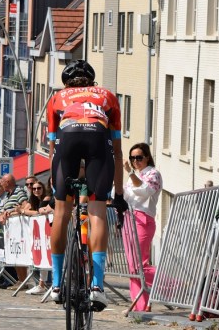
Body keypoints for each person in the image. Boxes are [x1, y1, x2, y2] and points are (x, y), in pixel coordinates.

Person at [46, 60, 128, 310]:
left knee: (61, 214)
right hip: (97, 138)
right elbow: (117, 151)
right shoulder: (107, 95)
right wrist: (119, 194)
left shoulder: (57, 97)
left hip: (67, 138)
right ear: (92, 81)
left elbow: (52, 148)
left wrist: (55, 190)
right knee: (97, 214)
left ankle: (56, 284)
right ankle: (97, 286)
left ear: (67, 83)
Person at [122, 142, 162, 312]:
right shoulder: (134, 176)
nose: (135, 161)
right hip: (128, 219)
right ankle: (140, 305)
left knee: (140, 265)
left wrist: (130, 173)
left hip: (143, 219)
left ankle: (177, 286)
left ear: (147, 157)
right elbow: (126, 196)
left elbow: (145, 191)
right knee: (133, 266)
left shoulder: (153, 174)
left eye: (139, 157)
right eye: (132, 158)